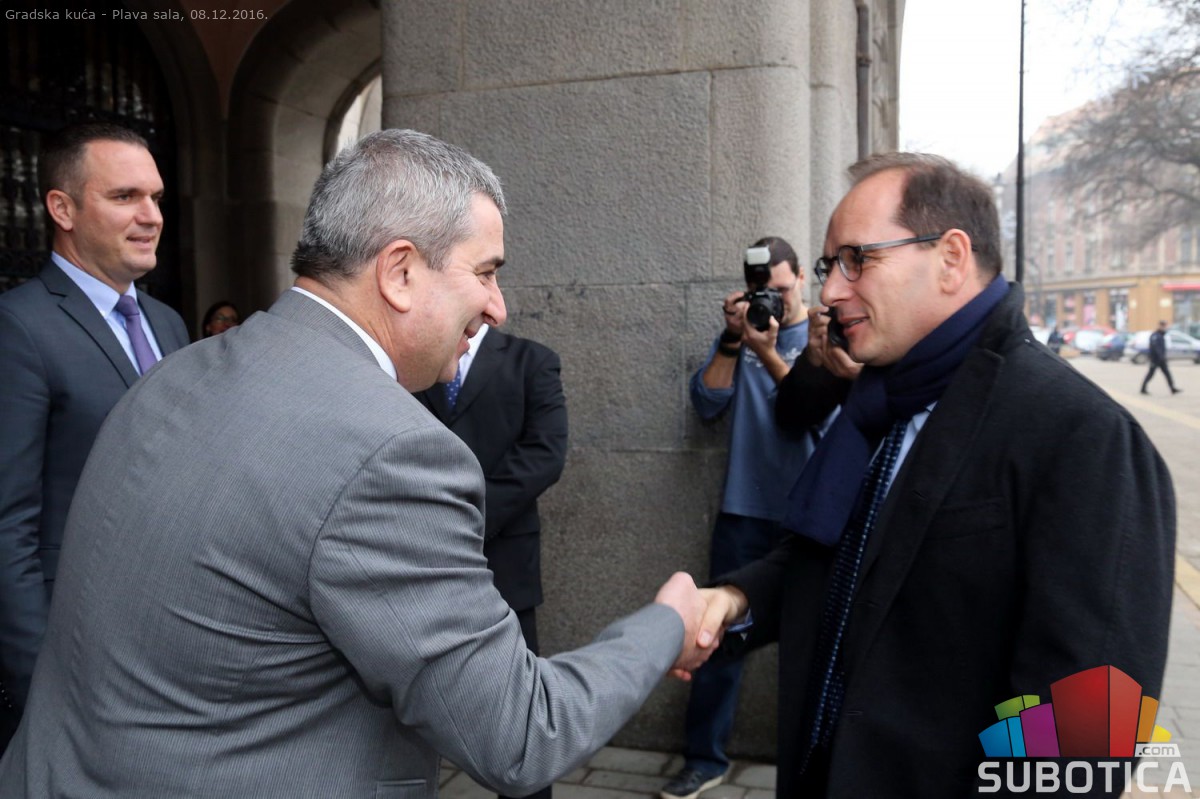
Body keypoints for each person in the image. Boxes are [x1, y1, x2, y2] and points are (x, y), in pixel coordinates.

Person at [0, 129, 716, 799]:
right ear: (399, 272)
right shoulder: (392, 453)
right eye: (486, 272)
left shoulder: (176, 370)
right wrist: (665, 626)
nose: (498, 307)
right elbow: (522, 734)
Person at [696, 153, 1175, 797]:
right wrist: (733, 601)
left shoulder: (1085, 438)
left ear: (951, 258)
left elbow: (1089, 726)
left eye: (857, 260)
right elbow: (837, 560)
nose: (831, 293)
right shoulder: (879, 397)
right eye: (829, 266)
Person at [0, 122, 190, 752]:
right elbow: (7, 524)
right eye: (125, 196)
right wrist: (38, 686)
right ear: (63, 209)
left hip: (172, 648)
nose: (151, 216)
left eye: (155, 198)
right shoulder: (18, 328)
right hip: (73, 657)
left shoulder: (167, 323)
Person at [661, 237, 816, 799]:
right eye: (761, 292)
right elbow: (707, 403)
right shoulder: (745, 333)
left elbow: (810, 415)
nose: (772, 301)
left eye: (781, 289)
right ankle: (705, 759)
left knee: (811, 645)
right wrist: (733, 339)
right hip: (743, 510)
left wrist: (770, 352)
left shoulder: (823, 338)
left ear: (801, 278)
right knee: (718, 635)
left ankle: (810, 765)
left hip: (809, 515)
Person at [414, 325, 567, 799]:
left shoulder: (533, 361)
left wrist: (467, 517)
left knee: (518, 710)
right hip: (418, 554)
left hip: (505, 558)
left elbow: (545, 454)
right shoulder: (414, 358)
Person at [1141, 320, 1180, 395]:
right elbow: (1156, 348)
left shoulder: (1160, 335)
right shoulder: (1156, 336)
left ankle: (1172, 388)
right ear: (1160, 326)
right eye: (1164, 326)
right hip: (1156, 359)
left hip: (1160, 359)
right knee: (1150, 374)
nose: (1165, 328)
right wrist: (1161, 357)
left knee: (1167, 374)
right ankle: (1143, 388)